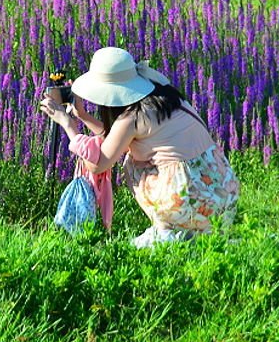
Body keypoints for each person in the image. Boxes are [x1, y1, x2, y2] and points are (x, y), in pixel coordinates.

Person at [39, 47, 240, 248]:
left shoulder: (132, 117)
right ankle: (195, 233)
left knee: (132, 162)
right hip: (222, 193)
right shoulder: (167, 98)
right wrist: (83, 116)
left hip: (185, 201)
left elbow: (97, 164)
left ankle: (168, 229)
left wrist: (68, 124)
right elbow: (117, 140)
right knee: (133, 152)